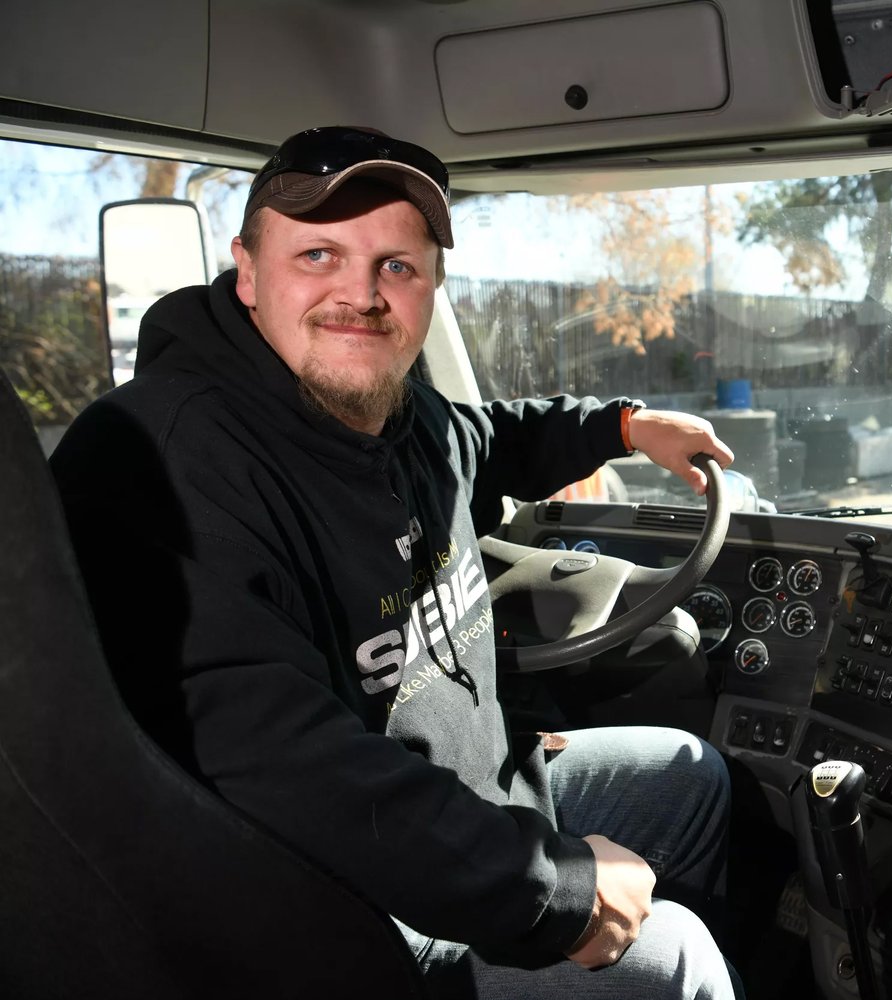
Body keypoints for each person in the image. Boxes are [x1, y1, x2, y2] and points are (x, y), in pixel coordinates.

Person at [49, 125, 740, 999]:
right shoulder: (158, 463)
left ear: (431, 287)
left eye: (397, 266)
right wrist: (555, 891)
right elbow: (289, 772)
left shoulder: (400, 416)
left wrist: (625, 427)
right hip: (336, 924)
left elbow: (489, 440)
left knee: (690, 775)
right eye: (319, 255)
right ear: (248, 273)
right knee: (672, 956)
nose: (360, 294)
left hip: (466, 815)